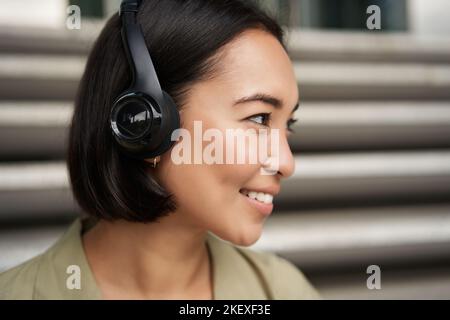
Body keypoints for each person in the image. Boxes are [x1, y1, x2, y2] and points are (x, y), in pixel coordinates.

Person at [0, 0, 320, 300]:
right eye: (259, 118)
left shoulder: (284, 291)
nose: (286, 163)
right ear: (143, 120)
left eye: (287, 125)